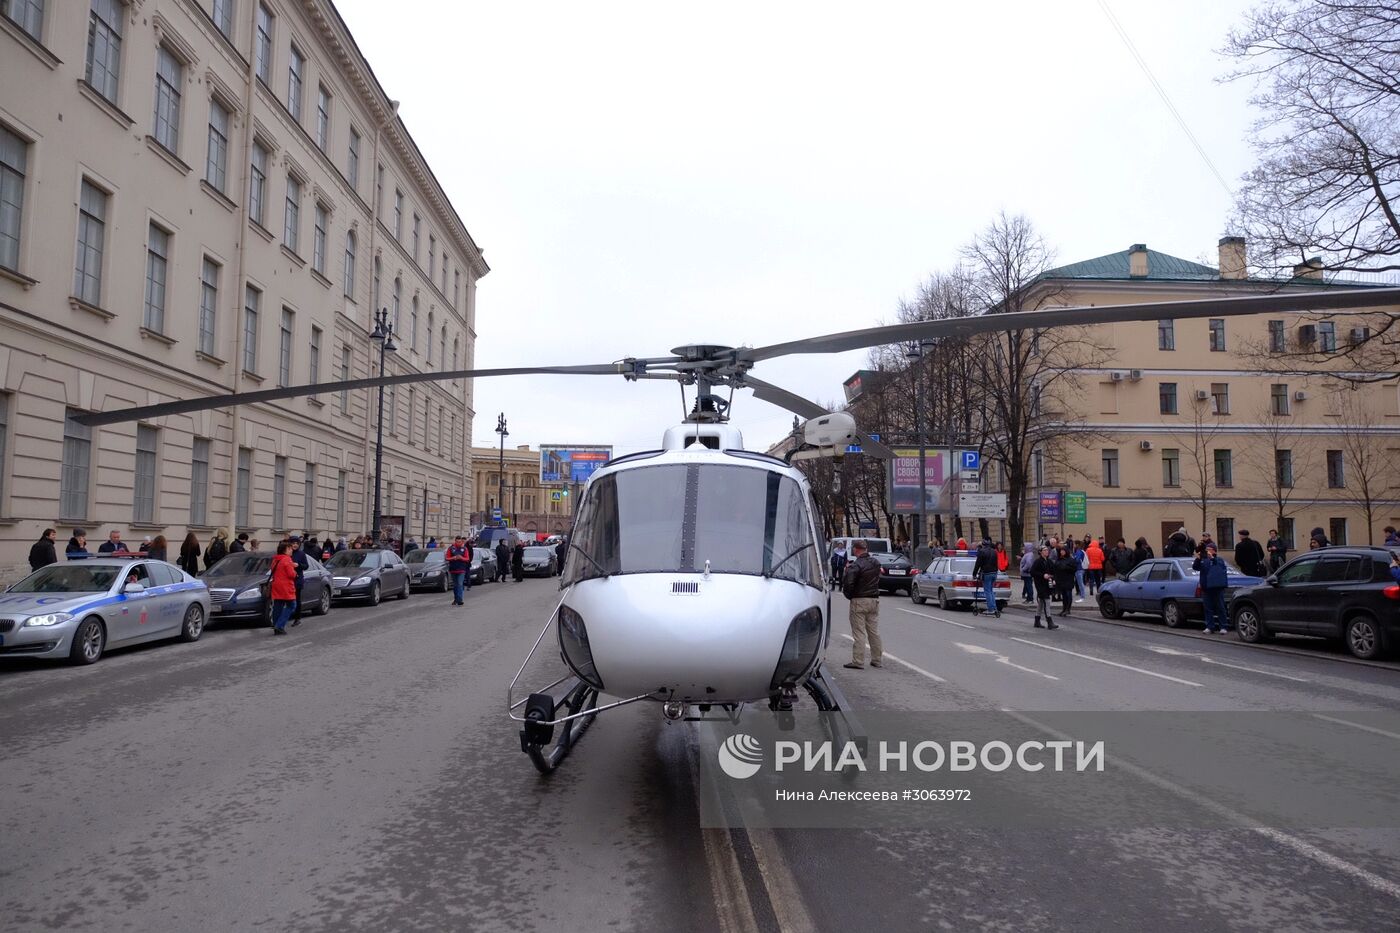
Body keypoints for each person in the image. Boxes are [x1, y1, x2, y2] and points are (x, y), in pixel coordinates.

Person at [841, 539, 883, 669]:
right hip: (874, 600)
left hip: (859, 600)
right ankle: (877, 659)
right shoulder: (875, 563)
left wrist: (850, 596)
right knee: (874, 631)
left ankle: (858, 661)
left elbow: (848, 583)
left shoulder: (856, 565)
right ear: (866, 549)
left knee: (859, 632)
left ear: (855, 550)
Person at [1193, 542, 1231, 634]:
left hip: (1216, 587)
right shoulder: (1204, 560)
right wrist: (1198, 559)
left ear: (1214, 551)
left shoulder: (1219, 560)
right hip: (1206, 587)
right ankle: (1210, 626)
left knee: (1220, 607)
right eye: (1206, 550)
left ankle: (1223, 626)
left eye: (1209, 549)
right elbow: (1195, 567)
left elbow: (1219, 567)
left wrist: (1212, 558)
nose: (1207, 551)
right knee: (1207, 608)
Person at [268, 542, 298, 636]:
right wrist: (295, 573)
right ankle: (279, 625)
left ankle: (276, 627)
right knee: (292, 605)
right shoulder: (287, 559)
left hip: (276, 585)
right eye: (289, 549)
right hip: (286, 586)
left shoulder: (276, 559)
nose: (291, 550)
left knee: (278, 606)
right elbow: (291, 574)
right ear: (285, 550)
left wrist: (291, 565)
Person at [1030, 544, 1059, 630]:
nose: (1047, 552)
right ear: (1040, 552)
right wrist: (1043, 575)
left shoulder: (1049, 561)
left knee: (1041, 603)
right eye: (1045, 550)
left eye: (1047, 550)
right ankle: (1050, 622)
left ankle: (1037, 620)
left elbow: (1054, 571)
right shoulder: (1038, 562)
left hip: (1048, 584)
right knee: (1047, 601)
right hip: (1040, 585)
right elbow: (1032, 572)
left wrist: (1054, 578)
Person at [972, 538, 1000, 617]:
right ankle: (994, 607)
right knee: (991, 590)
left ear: (983, 545)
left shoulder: (982, 552)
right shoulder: (994, 552)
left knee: (987, 591)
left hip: (987, 573)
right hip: (994, 573)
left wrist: (974, 574)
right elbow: (996, 563)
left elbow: (978, 564)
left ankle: (990, 609)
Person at [1052, 545, 1078, 617]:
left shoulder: (1071, 560)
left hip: (1068, 579)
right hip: (1060, 580)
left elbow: (1074, 569)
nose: (1061, 552)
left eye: (1063, 551)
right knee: (1063, 595)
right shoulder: (1059, 559)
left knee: (1068, 594)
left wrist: (1066, 567)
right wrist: (1054, 578)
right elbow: (1055, 569)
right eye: (1061, 551)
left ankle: (1068, 609)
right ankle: (1064, 609)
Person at [289, 537, 309, 626]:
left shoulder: (301, 554)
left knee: (297, 599)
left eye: (297, 543)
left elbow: (306, 566)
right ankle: (286, 616)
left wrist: (299, 565)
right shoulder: (287, 553)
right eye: (293, 543)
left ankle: (297, 618)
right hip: (287, 579)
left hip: (297, 580)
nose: (295, 545)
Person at [446, 535, 471, 604]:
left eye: (460, 542)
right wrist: (453, 558)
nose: (458, 543)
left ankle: (460, 600)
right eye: (457, 542)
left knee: (460, 584)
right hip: (453, 569)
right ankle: (456, 599)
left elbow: (467, 559)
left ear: (461, 542)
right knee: (455, 585)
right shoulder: (451, 548)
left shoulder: (464, 549)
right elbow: (447, 558)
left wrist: (461, 558)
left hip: (461, 569)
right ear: (455, 541)